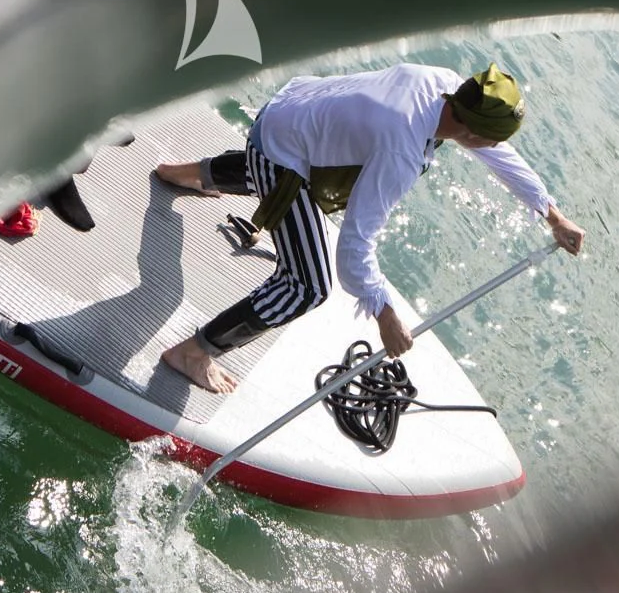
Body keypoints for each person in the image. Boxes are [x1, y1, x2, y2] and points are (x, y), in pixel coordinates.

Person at [155, 60, 584, 394]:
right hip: (279, 148)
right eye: (492, 138)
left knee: (296, 173)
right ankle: (194, 353)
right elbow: (354, 247)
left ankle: (184, 173)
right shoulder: (401, 148)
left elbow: (498, 155)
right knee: (307, 286)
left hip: (291, 109)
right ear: (471, 132)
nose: (493, 147)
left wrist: (552, 213)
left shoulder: (445, 85)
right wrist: (384, 313)